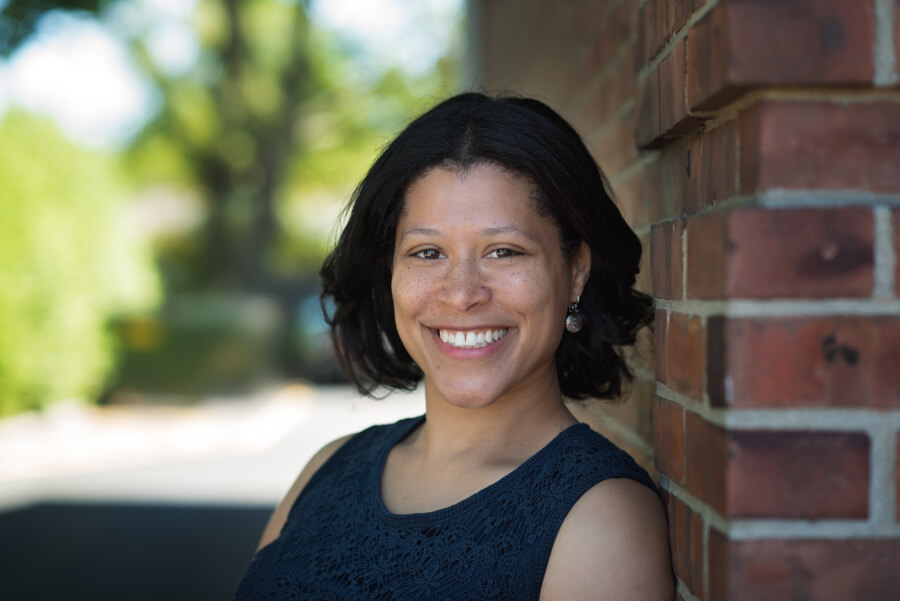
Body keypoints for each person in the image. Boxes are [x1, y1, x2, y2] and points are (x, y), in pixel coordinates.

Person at [236, 93, 674, 600]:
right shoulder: (328, 469)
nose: (463, 293)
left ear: (576, 270)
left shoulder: (601, 519)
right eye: (427, 252)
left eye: (504, 251)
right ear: (391, 273)